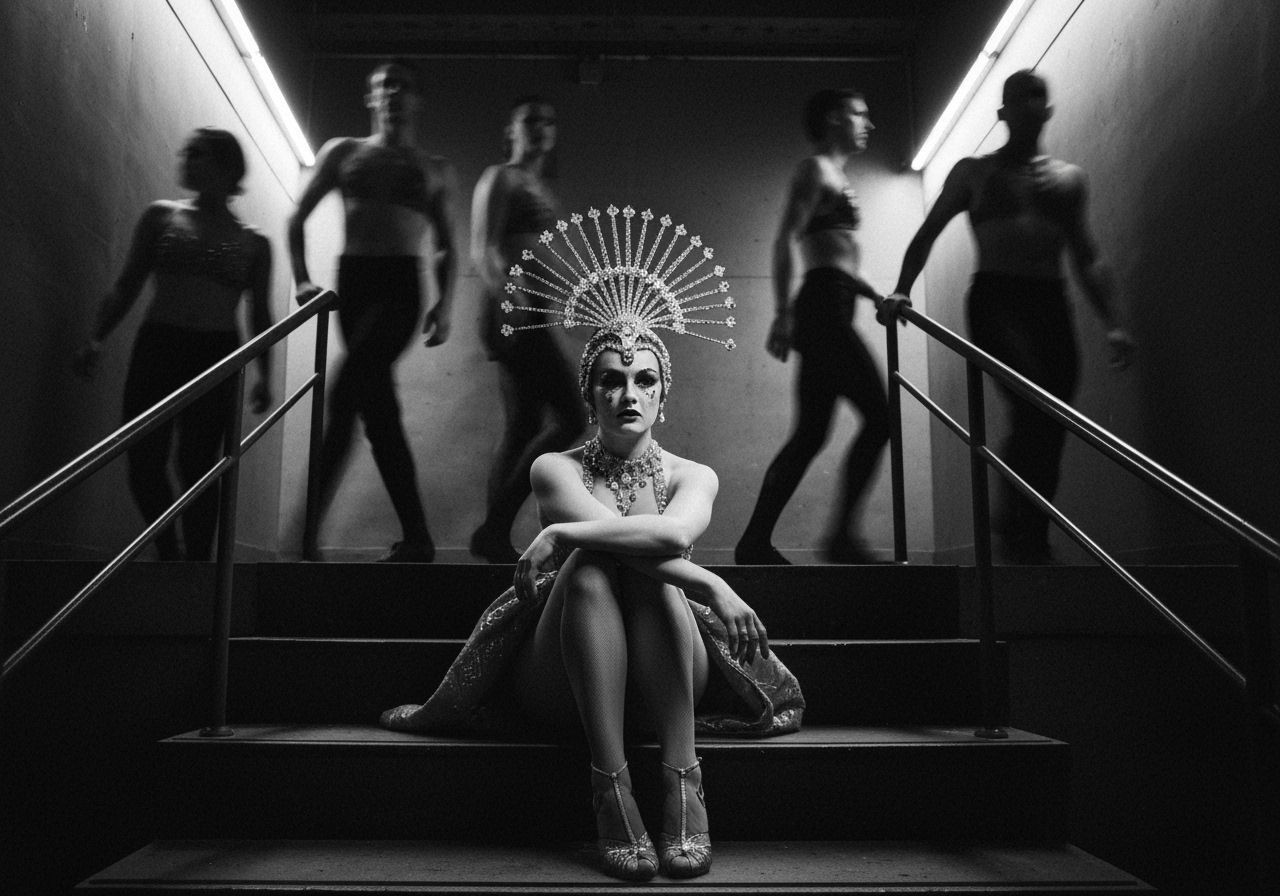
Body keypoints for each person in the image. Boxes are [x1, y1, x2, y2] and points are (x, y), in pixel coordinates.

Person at [381, 209, 803, 882]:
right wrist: (705, 579)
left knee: (637, 568)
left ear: (664, 397)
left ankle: (681, 782)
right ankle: (611, 786)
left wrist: (565, 532)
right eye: (611, 378)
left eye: (644, 380)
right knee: (587, 573)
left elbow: (671, 535)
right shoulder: (555, 468)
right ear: (589, 393)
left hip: (670, 668)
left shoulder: (694, 475)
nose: (628, 392)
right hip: (566, 672)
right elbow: (640, 546)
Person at [882, 69, 1134, 563]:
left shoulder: (1068, 180)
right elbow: (929, 230)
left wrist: (1114, 324)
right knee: (1030, 404)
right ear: (1002, 113)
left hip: (1050, 301)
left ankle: (1029, 534)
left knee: (1054, 418)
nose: (1027, 107)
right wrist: (901, 289)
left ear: (1047, 110)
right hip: (998, 301)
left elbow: (1087, 254)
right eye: (1017, 99)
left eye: (1036, 98)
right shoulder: (974, 172)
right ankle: (1010, 524)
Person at [74, 128, 273, 561]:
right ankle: (168, 549)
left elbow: (260, 314)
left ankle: (198, 564)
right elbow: (127, 284)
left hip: (217, 352)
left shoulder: (254, 242)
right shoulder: (161, 217)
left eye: (197, 153)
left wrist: (265, 375)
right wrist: (96, 336)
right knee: (143, 456)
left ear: (225, 167)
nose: (185, 158)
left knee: (197, 463)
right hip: (159, 344)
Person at [288, 60, 458, 562]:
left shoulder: (433, 167)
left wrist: (445, 305)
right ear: (371, 98)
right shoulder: (343, 153)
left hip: (401, 286)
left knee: (345, 396)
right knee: (379, 416)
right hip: (354, 284)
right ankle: (418, 538)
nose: (392, 94)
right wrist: (300, 278)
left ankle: (305, 536)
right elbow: (297, 217)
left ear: (416, 100)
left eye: (402, 86)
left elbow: (447, 244)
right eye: (382, 86)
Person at [735, 88, 889, 566]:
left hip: (834, 302)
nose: (869, 123)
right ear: (831, 118)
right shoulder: (816, 171)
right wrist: (783, 312)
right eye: (859, 113)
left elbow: (836, 257)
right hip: (821, 308)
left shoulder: (837, 176)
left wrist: (874, 296)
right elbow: (786, 239)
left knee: (810, 434)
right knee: (880, 417)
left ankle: (754, 542)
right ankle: (841, 537)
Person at [468, 96, 586, 563]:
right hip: (512, 310)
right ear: (510, 131)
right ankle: (493, 528)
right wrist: (509, 295)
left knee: (523, 426)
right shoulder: (501, 177)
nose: (540, 128)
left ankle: (493, 539)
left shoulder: (540, 187)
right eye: (529, 120)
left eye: (548, 120)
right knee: (572, 418)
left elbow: (539, 254)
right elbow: (484, 247)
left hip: (535, 310)